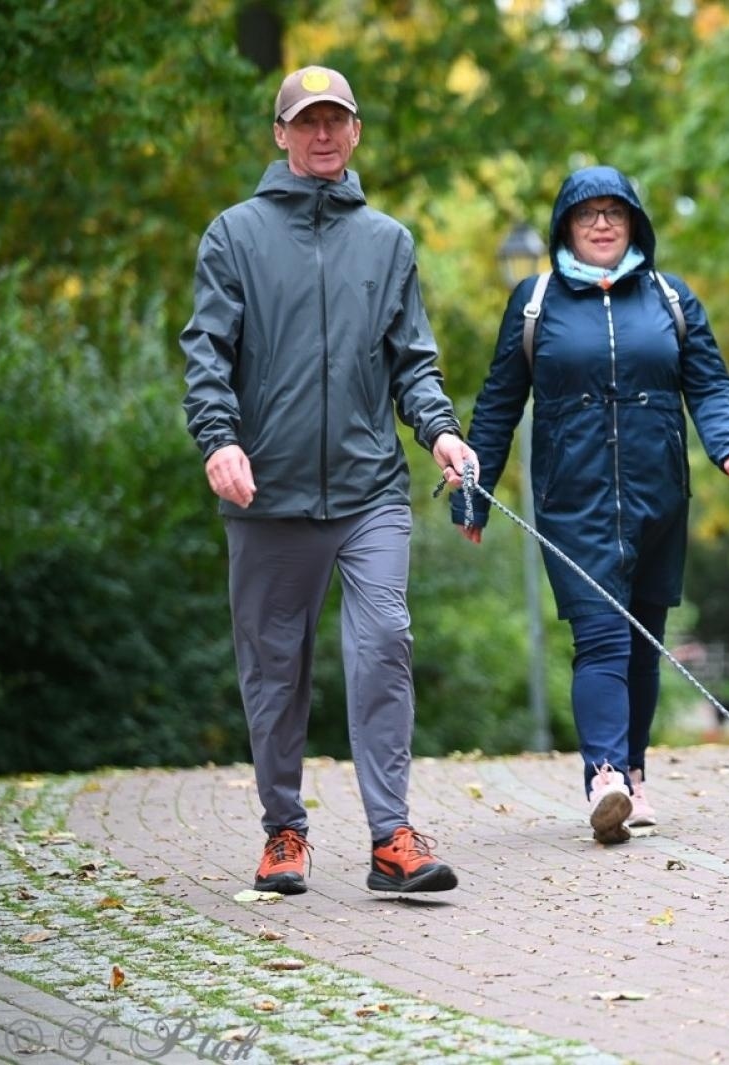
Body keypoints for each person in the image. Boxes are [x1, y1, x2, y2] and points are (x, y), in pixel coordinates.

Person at [181, 66, 476, 896]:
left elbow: (413, 362)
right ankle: (284, 831)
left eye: (334, 120)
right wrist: (219, 442)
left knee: (383, 643)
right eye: (305, 120)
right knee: (274, 670)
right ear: (280, 133)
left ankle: (392, 839)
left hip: (368, 489)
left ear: (354, 132)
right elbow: (207, 353)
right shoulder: (234, 236)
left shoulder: (388, 242)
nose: (321, 134)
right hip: (266, 495)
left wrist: (441, 431)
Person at [454, 165, 729, 845]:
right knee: (601, 636)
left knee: (644, 644)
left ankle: (634, 774)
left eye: (614, 212)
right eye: (586, 213)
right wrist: (475, 493)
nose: (601, 224)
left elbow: (711, 385)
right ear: (566, 224)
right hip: (574, 501)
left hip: (658, 496)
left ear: (633, 224)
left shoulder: (670, 298)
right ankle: (605, 775)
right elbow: (499, 402)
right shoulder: (535, 302)